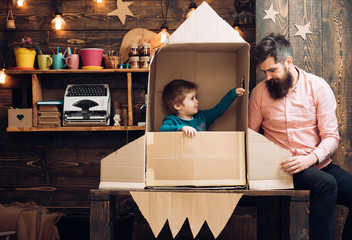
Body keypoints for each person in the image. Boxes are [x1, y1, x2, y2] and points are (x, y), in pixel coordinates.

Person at [248, 33, 352, 240]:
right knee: (326, 184)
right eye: (264, 72)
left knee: (331, 181)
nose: (267, 78)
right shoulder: (259, 93)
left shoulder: (318, 87)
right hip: (280, 166)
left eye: (272, 70)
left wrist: (310, 159)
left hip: (315, 162)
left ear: (288, 62)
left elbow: (331, 136)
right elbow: (251, 135)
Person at [159, 79, 245, 137]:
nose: (197, 101)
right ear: (178, 105)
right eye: (192, 98)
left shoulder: (202, 117)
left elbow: (218, 110)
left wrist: (232, 94)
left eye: (196, 97)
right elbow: (162, 129)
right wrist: (181, 128)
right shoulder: (171, 120)